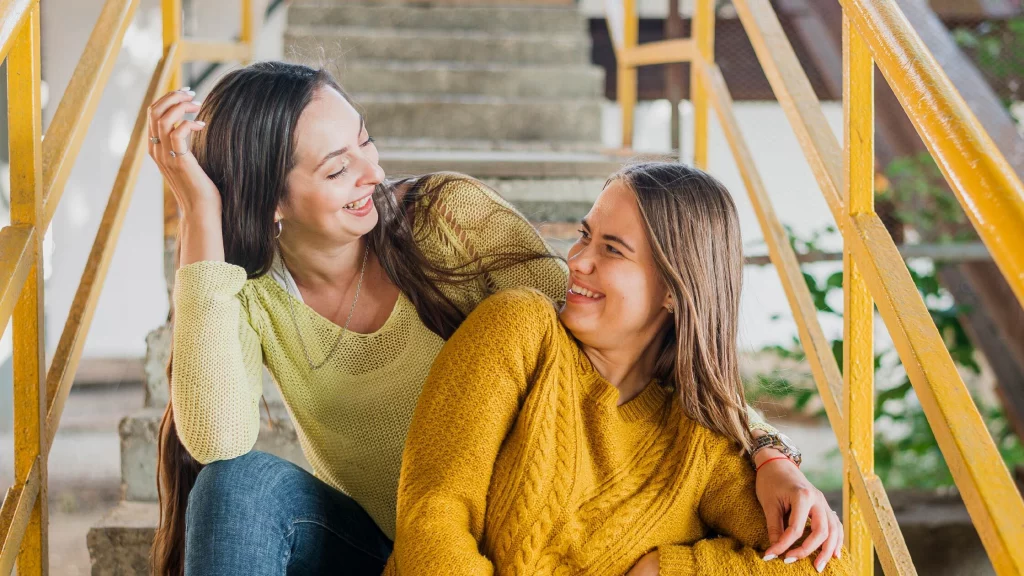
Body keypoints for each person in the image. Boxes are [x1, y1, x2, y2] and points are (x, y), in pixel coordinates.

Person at [147, 62, 842, 576]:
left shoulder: (447, 220)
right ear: (272, 200)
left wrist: (767, 450)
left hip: (502, 533)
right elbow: (217, 438)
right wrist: (200, 217)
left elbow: (592, 333)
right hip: (396, 543)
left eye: (366, 141)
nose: (373, 172)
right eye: (337, 169)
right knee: (236, 488)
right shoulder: (246, 295)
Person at [386, 163, 849, 575]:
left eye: (612, 249)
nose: (577, 258)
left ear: (673, 289)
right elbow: (433, 516)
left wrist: (666, 570)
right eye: (585, 234)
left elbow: (826, 567)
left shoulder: (697, 443)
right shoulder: (520, 330)